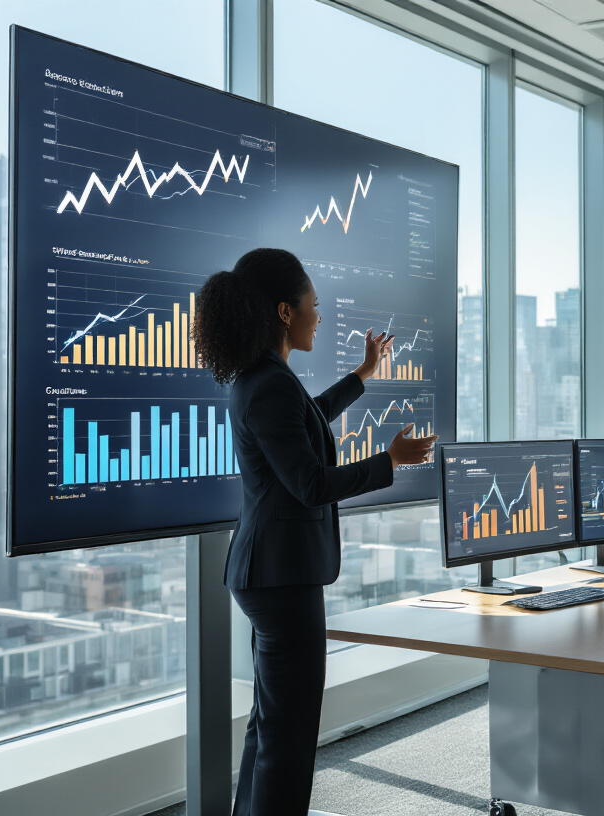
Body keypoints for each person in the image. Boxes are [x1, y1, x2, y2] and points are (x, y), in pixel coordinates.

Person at [192, 248, 437, 816]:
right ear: (284, 311)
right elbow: (309, 482)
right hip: (280, 575)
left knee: (273, 723)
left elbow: (309, 416)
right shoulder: (269, 384)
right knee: (289, 734)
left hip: (270, 572)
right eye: (313, 306)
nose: (319, 316)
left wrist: (361, 375)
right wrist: (389, 461)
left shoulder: (266, 379)